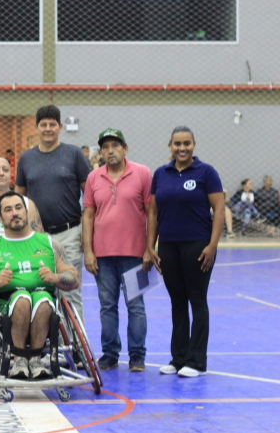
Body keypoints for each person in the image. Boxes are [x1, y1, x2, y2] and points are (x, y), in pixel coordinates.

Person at [0, 191, 80, 380]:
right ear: (1, 218)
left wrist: (55, 278)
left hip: (44, 301)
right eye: (8, 210)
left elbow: (73, 278)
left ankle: (35, 361)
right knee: (22, 298)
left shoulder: (49, 243)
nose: (15, 213)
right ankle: (19, 360)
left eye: (19, 208)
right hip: (8, 306)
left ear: (27, 213)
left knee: (43, 300)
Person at [145, 126, 225, 378]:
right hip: (168, 246)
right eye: (177, 144)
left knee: (197, 300)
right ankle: (178, 358)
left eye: (187, 143)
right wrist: (151, 245)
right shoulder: (160, 174)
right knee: (177, 302)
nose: (182, 148)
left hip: (197, 246)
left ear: (194, 145)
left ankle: (196, 361)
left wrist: (212, 246)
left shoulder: (206, 172)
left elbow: (219, 209)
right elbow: (153, 212)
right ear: (170, 146)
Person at [82, 129, 151, 372]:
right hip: (103, 255)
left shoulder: (142, 174)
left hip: (135, 254)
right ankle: (110, 353)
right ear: (100, 152)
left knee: (136, 305)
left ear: (125, 148)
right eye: (105, 147)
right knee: (107, 305)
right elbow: (88, 214)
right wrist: (88, 251)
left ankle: (137, 356)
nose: (110, 151)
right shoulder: (93, 178)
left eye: (115, 145)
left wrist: (149, 249)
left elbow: (152, 213)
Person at [15, 105, 90, 321]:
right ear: (36, 128)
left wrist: (86, 234)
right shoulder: (26, 158)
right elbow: (19, 198)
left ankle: (76, 349)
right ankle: (44, 346)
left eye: (52, 125)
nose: (48, 129)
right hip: (37, 238)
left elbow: (90, 197)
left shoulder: (74, 154)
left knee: (69, 292)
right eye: (43, 125)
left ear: (60, 127)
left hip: (69, 233)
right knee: (38, 291)